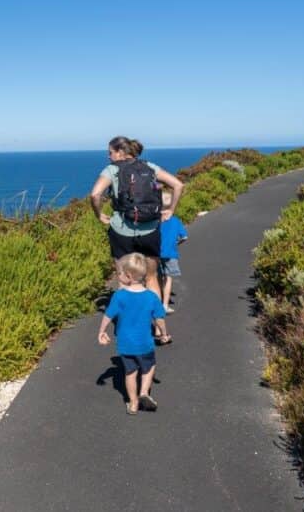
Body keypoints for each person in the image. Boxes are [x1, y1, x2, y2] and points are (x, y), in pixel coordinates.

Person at [88, 136, 184, 307]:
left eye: (110, 153)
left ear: (120, 152)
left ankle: (128, 318)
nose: (109, 157)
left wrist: (99, 214)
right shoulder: (149, 167)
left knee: (123, 278)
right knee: (152, 277)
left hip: (121, 231)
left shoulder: (111, 170)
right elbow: (178, 185)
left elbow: (95, 194)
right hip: (149, 230)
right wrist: (171, 210)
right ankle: (157, 323)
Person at [97, 253, 169, 414]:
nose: (119, 276)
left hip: (125, 343)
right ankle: (144, 392)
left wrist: (102, 332)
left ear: (128, 276)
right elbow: (159, 319)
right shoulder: (151, 297)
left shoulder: (119, 296)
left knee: (130, 372)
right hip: (145, 343)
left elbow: (108, 315)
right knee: (149, 367)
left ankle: (133, 403)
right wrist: (164, 333)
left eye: (120, 273)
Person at [158, 189, 188, 314]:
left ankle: (157, 302)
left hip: (156, 253)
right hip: (171, 253)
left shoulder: (155, 220)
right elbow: (184, 237)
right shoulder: (175, 221)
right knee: (168, 278)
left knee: (157, 277)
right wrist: (176, 243)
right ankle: (165, 305)